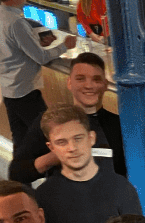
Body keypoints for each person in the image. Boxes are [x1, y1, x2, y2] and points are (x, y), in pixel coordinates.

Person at [35, 104, 141, 223]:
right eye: (61, 142)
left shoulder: (121, 188)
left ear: (91, 138)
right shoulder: (43, 196)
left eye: (78, 138)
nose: (72, 148)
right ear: (51, 147)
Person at [9, 52, 127, 182]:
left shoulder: (119, 125)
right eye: (80, 79)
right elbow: (16, 173)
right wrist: (53, 158)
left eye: (96, 79)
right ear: (69, 83)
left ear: (105, 85)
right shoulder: (50, 121)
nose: (88, 86)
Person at [0, 0, 76, 150]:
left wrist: (36, 40)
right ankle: (52, 174)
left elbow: (12, 45)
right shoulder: (16, 23)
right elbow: (41, 57)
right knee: (48, 137)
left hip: (7, 88)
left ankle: (20, 177)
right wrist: (65, 46)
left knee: (20, 139)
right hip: (24, 91)